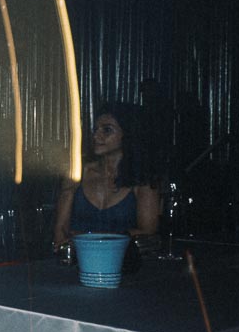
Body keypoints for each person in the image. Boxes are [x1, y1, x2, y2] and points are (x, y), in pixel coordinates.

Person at [51, 102, 160, 249]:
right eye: (95, 129)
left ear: (127, 134)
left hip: (122, 264)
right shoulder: (77, 174)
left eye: (107, 130)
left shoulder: (142, 179)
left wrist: (89, 238)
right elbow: (60, 233)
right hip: (79, 261)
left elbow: (148, 233)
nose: (96, 135)